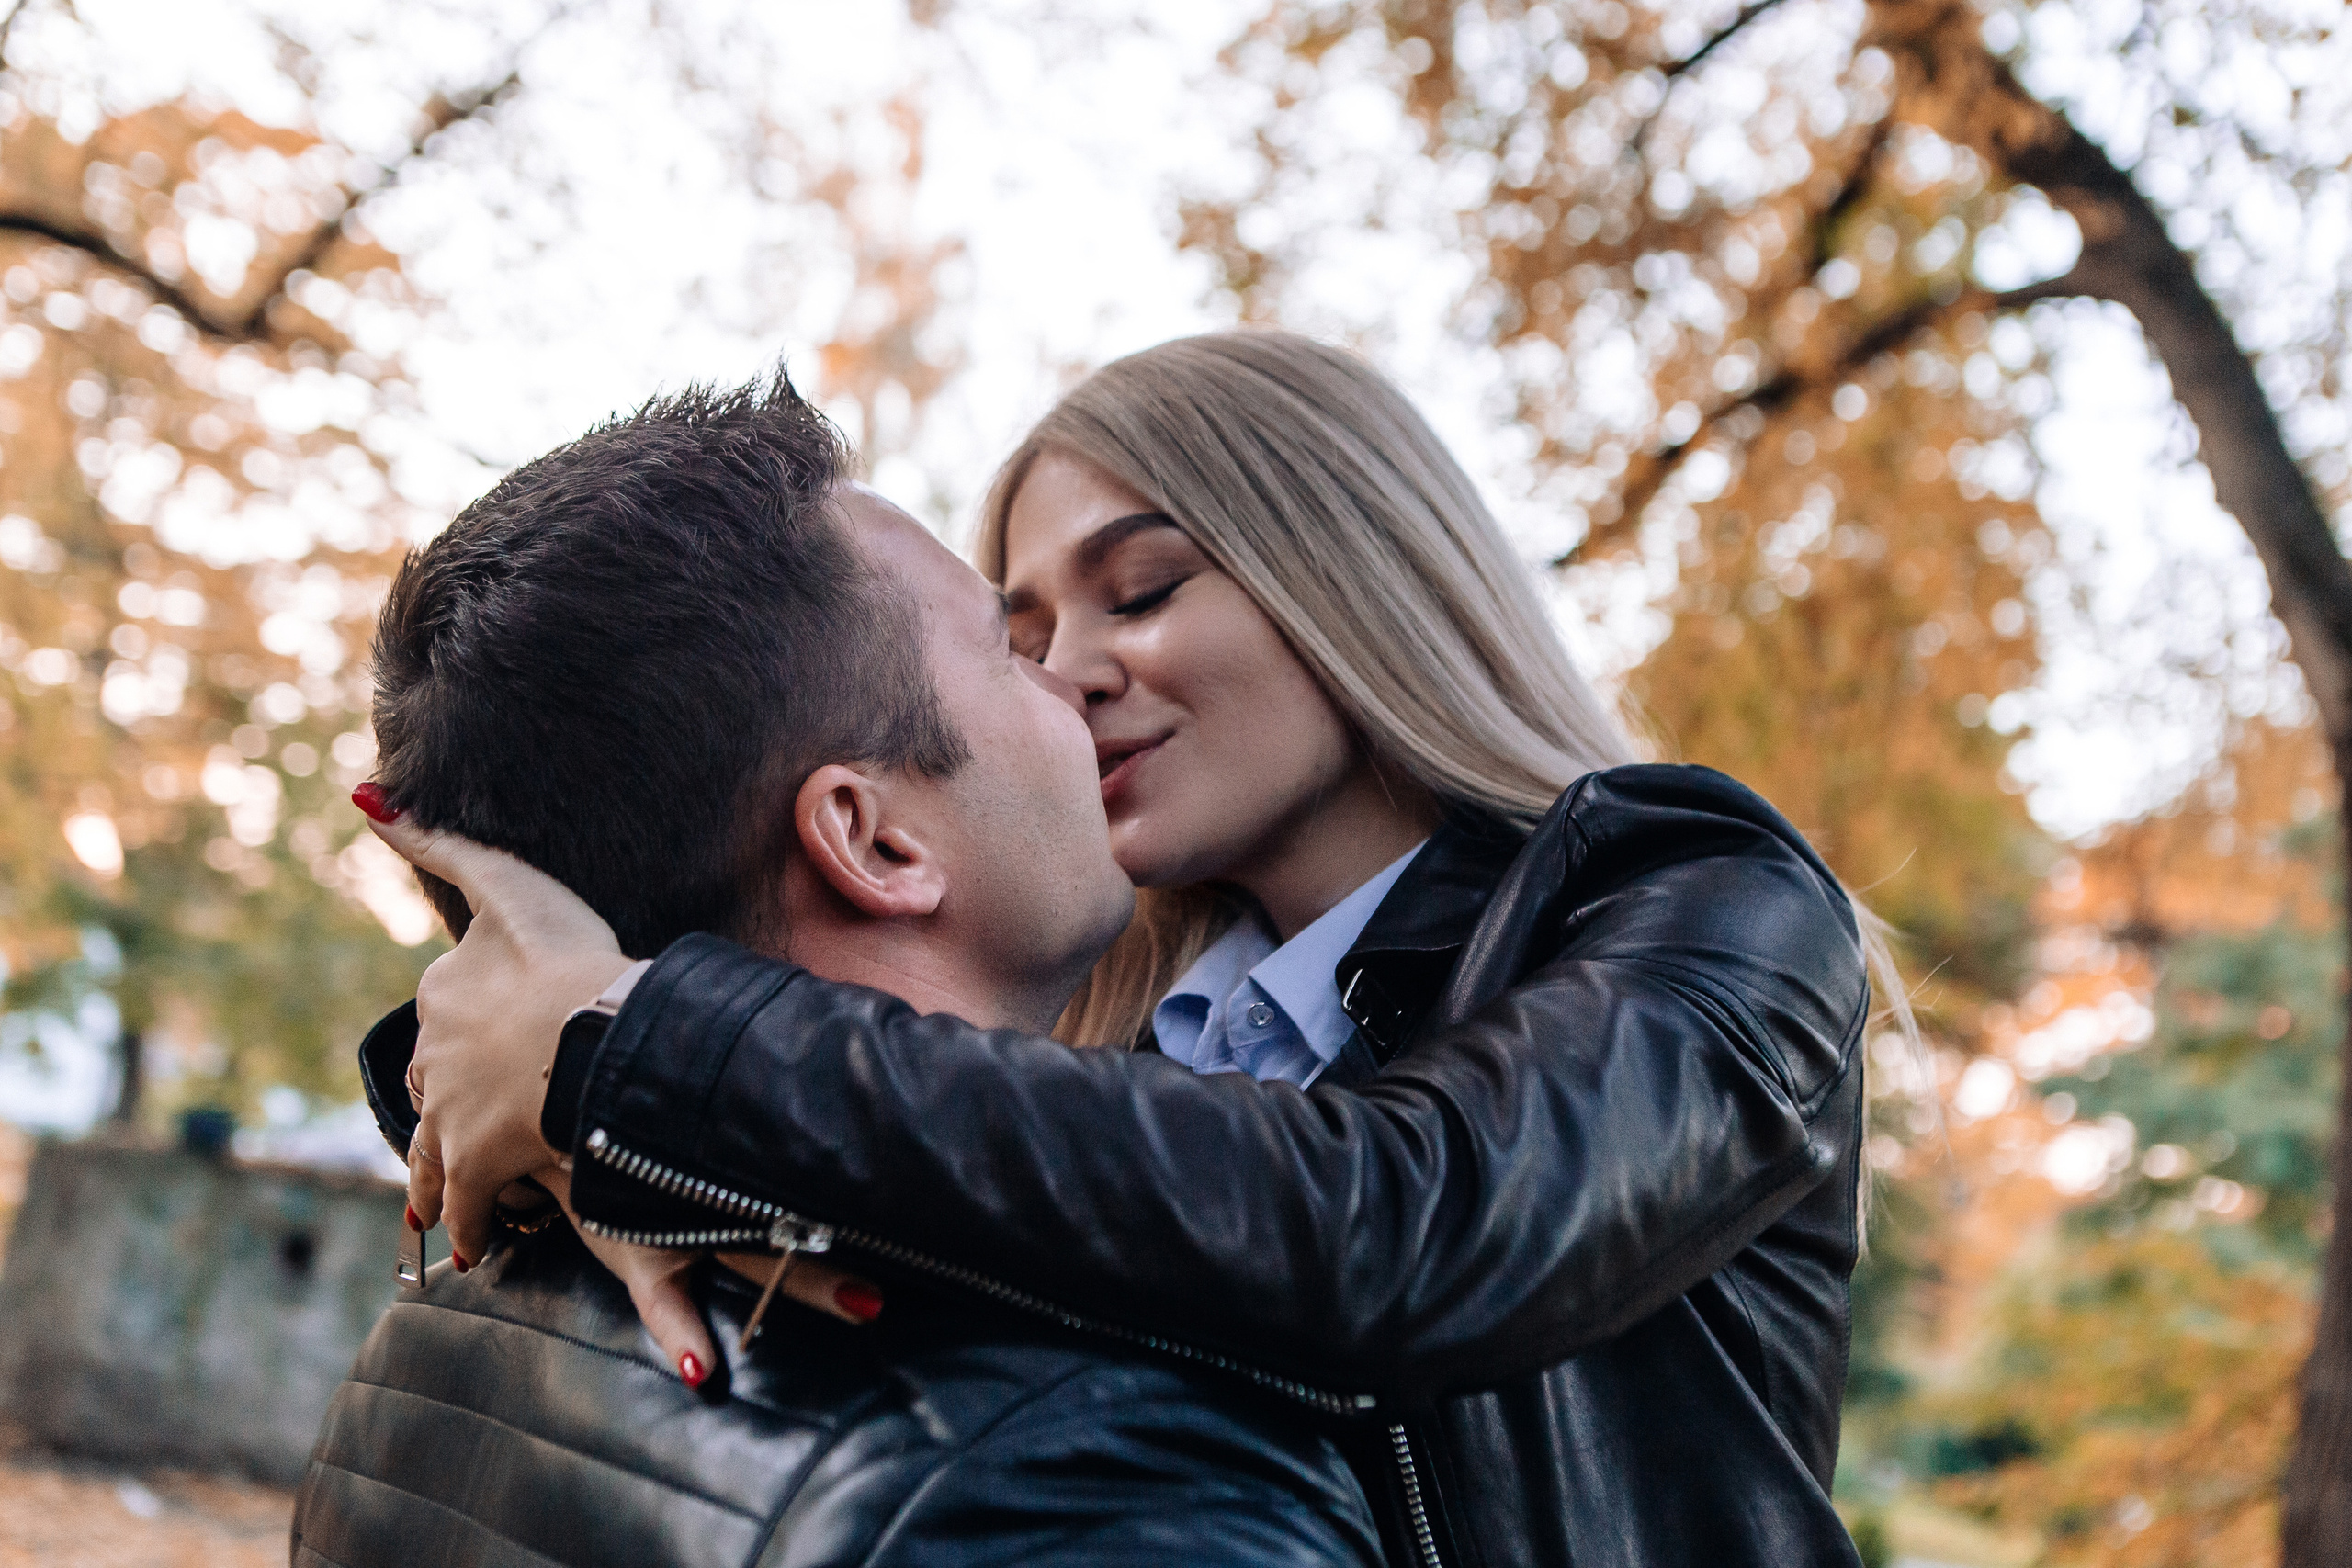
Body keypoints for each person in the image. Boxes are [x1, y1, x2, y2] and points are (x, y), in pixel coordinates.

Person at [372, 331, 1890, 1567]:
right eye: (1021, 635)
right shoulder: (1111, 1016)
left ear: (1355, 579)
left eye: (1143, 588)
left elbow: (1407, 1229)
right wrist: (582, 1111)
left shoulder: (1694, 900)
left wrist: (628, 1052)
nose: (1075, 673)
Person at [291, 374, 1385, 1568]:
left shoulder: (412, 1355)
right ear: (875, 842)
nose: (1075, 683)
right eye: (1007, 653)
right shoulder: (1081, 1463)